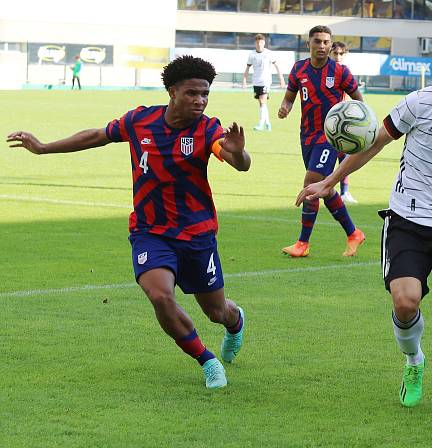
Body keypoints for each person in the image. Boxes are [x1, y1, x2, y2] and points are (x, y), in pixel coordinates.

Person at [296, 31, 432, 417]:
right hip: (408, 219)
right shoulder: (421, 101)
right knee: (405, 303)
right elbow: (375, 141)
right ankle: (414, 361)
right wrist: (329, 181)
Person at [7, 55, 252, 388]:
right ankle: (206, 360)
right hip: (150, 232)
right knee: (161, 297)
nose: (200, 101)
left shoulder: (208, 128)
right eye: (192, 93)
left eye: (205, 94)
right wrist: (44, 148)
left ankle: (235, 323)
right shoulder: (140, 120)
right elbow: (96, 135)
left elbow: (239, 163)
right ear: (172, 91)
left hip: (197, 234)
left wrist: (238, 152)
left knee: (216, 311)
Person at [278, 25, 365, 258]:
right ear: (309, 44)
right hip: (306, 136)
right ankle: (353, 233)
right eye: (317, 41)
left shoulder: (340, 72)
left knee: (311, 185)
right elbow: (289, 98)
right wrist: (284, 108)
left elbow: (359, 102)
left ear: (331, 44)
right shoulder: (299, 70)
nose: (322, 46)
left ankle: (302, 244)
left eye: (326, 42)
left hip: (330, 137)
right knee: (325, 190)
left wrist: (355, 128)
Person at [330, 41, 358, 205]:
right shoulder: (326, 71)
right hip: (326, 123)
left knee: (345, 159)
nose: (338, 57)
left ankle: (344, 193)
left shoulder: (345, 72)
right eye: (335, 53)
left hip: (342, 123)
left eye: (341, 54)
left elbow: (354, 96)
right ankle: (325, 190)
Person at [243, 34, 286, 131]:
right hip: (256, 81)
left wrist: (281, 79)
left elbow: (277, 66)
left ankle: (260, 124)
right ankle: (268, 123)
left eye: (261, 42)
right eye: (257, 42)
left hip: (265, 81)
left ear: (264, 43)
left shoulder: (269, 53)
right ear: (255, 43)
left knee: (263, 102)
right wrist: (244, 80)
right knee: (262, 103)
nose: (259, 44)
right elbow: (247, 68)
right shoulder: (252, 54)